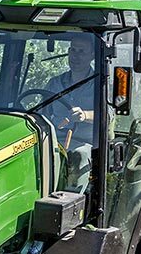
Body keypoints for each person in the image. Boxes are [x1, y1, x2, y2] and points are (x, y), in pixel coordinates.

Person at [41, 37, 98, 193]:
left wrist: (85, 115)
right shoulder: (55, 83)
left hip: (86, 142)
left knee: (78, 156)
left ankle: (72, 203)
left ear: (92, 55)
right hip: (55, 139)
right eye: (73, 50)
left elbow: (109, 115)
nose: (75, 56)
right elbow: (42, 111)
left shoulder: (100, 84)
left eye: (81, 51)